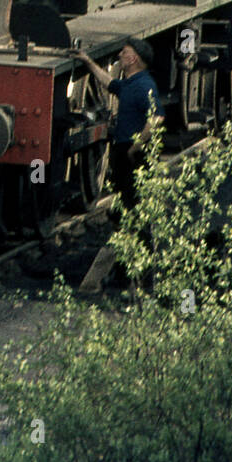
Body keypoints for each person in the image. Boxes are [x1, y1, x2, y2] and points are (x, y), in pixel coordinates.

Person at [76, 38, 163, 292]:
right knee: (126, 213)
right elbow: (108, 82)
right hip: (126, 153)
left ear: (133, 58)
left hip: (133, 155)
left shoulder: (144, 84)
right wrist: (87, 61)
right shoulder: (130, 84)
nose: (120, 56)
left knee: (134, 214)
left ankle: (144, 280)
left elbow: (156, 117)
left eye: (124, 53)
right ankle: (126, 274)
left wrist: (136, 145)